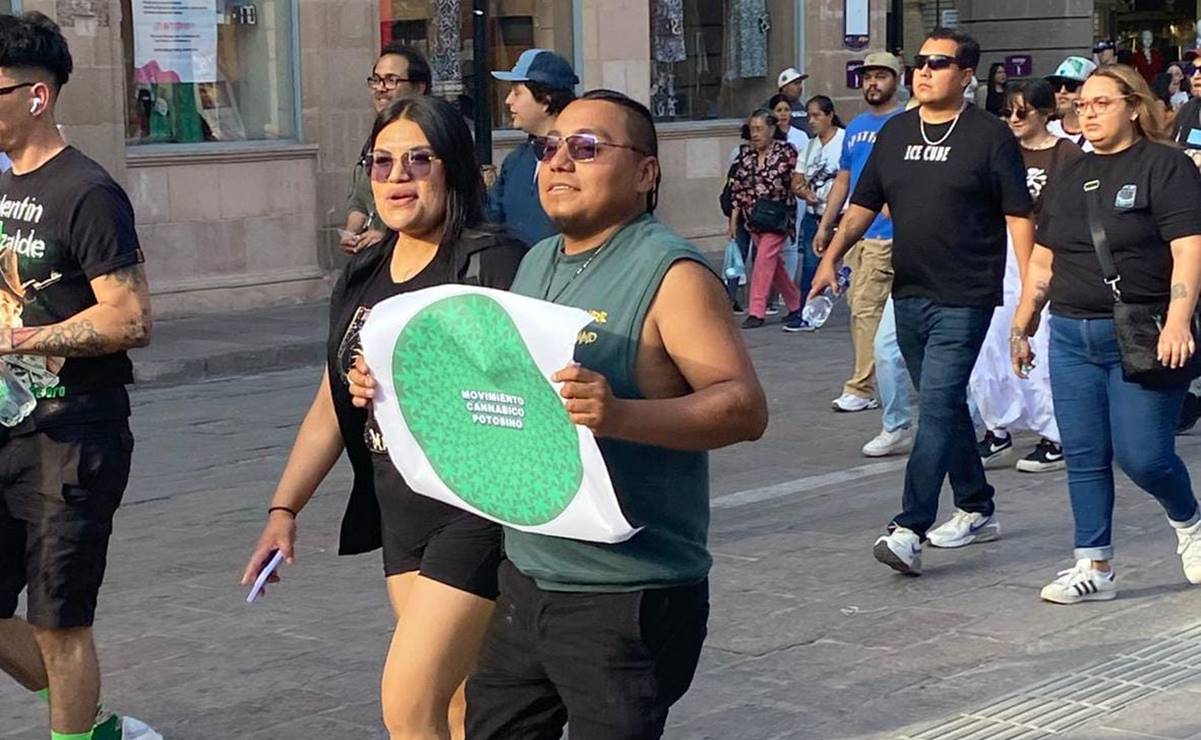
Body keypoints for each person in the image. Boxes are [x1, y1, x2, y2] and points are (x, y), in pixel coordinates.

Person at [350, 88, 768, 739]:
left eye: (587, 148)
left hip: (627, 592)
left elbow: (742, 409)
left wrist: (618, 414)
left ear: (645, 172)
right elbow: (493, 386)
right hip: (525, 576)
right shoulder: (539, 260)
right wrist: (389, 384)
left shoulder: (670, 272)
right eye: (550, 148)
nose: (560, 163)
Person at [240, 95, 525, 739]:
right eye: (382, 161)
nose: (397, 178)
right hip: (400, 508)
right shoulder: (365, 270)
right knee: (456, 704)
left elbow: (524, 388)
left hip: (477, 507)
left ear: (451, 168)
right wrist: (283, 511)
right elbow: (329, 403)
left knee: (407, 703)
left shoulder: (490, 260)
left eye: (418, 160)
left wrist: (413, 380)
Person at [811, 29, 1035, 575]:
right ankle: (978, 507)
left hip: (966, 293)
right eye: (921, 62)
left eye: (939, 63)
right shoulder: (894, 134)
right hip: (909, 290)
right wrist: (831, 255)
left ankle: (909, 526)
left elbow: (1018, 216)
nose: (924, 70)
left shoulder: (989, 137)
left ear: (965, 75)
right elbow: (865, 202)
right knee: (945, 406)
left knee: (935, 404)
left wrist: (1031, 295)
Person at [0, 12, 160, 740]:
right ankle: (92, 724)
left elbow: (129, 318)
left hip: (71, 434)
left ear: (36, 97)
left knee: (60, 621)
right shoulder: (4, 186)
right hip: (6, 427)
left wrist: (22, 337)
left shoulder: (87, 191)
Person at [1010, 65, 1201, 604]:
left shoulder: (1166, 167)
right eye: (1082, 106)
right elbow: (1044, 257)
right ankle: (1093, 564)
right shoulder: (1072, 171)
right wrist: (1023, 322)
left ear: (1135, 106)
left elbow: (1189, 248)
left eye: (1100, 103)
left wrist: (1180, 321)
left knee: (1142, 455)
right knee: (1085, 453)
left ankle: (1189, 519)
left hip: (1142, 331)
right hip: (1071, 333)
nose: (1086, 114)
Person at [963, 79, 1081, 486]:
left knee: (1038, 343)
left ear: (1045, 112)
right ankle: (997, 426)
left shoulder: (1066, 154)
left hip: (1043, 253)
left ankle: (1056, 433)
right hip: (996, 252)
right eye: (1008, 110)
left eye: (1023, 111)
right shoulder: (1002, 152)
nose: (1014, 119)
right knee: (989, 344)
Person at [814, 51, 905, 414]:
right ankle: (876, 383)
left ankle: (862, 387)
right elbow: (844, 178)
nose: (872, 82)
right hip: (858, 234)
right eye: (868, 76)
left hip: (894, 234)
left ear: (896, 80)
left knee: (868, 311)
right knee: (864, 310)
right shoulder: (855, 127)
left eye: (881, 76)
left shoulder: (905, 122)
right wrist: (827, 225)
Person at [340, 43, 432, 255]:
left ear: (419, 87)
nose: (381, 88)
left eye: (391, 80)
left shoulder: (435, 136)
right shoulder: (375, 137)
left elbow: (437, 207)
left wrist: (389, 236)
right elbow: (361, 199)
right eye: (376, 80)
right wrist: (351, 233)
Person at [486, 48, 577, 248]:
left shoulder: (580, 161)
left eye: (517, 92)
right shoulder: (515, 160)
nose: (508, 100)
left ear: (545, 100)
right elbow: (490, 218)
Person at [728, 109, 804, 329]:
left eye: (760, 129)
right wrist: (734, 220)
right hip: (753, 218)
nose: (755, 134)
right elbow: (738, 189)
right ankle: (795, 304)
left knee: (762, 261)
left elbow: (797, 180)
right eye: (752, 129)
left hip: (777, 217)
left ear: (771, 129)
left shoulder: (786, 152)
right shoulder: (745, 154)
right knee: (773, 263)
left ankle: (756, 310)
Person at [785, 95, 844, 331]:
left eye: (817, 115)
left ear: (829, 115)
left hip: (842, 213)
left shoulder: (843, 139)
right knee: (810, 265)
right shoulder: (809, 146)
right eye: (809, 116)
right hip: (815, 212)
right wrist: (803, 192)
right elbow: (797, 179)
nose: (812, 121)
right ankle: (806, 312)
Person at [1046, 56, 1096, 152]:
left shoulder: (1099, 133)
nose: (1062, 91)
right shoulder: (1047, 129)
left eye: (1070, 85)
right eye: (1056, 85)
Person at [773, 66, 812, 135]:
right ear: (784, 87)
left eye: (800, 83)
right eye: (796, 83)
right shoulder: (771, 105)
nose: (800, 87)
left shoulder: (801, 106)